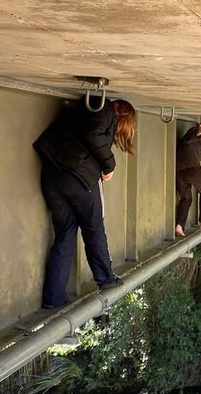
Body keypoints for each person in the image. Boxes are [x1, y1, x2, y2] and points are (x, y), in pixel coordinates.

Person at [33, 96, 136, 309]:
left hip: (52, 177)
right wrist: (109, 165)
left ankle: (54, 298)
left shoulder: (81, 111)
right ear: (124, 114)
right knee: (93, 228)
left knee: (66, 232)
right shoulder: (106, 110)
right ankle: (106, 279)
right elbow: (93, 134)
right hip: (77, 179)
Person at [175, 121, 201, 238]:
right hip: (192, 169)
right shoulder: (194, 137)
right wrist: (199, 132)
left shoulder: (195, 145)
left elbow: (194, 153)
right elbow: (189, 139)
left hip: (179, 173)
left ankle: (179, 226)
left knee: (186, 199)